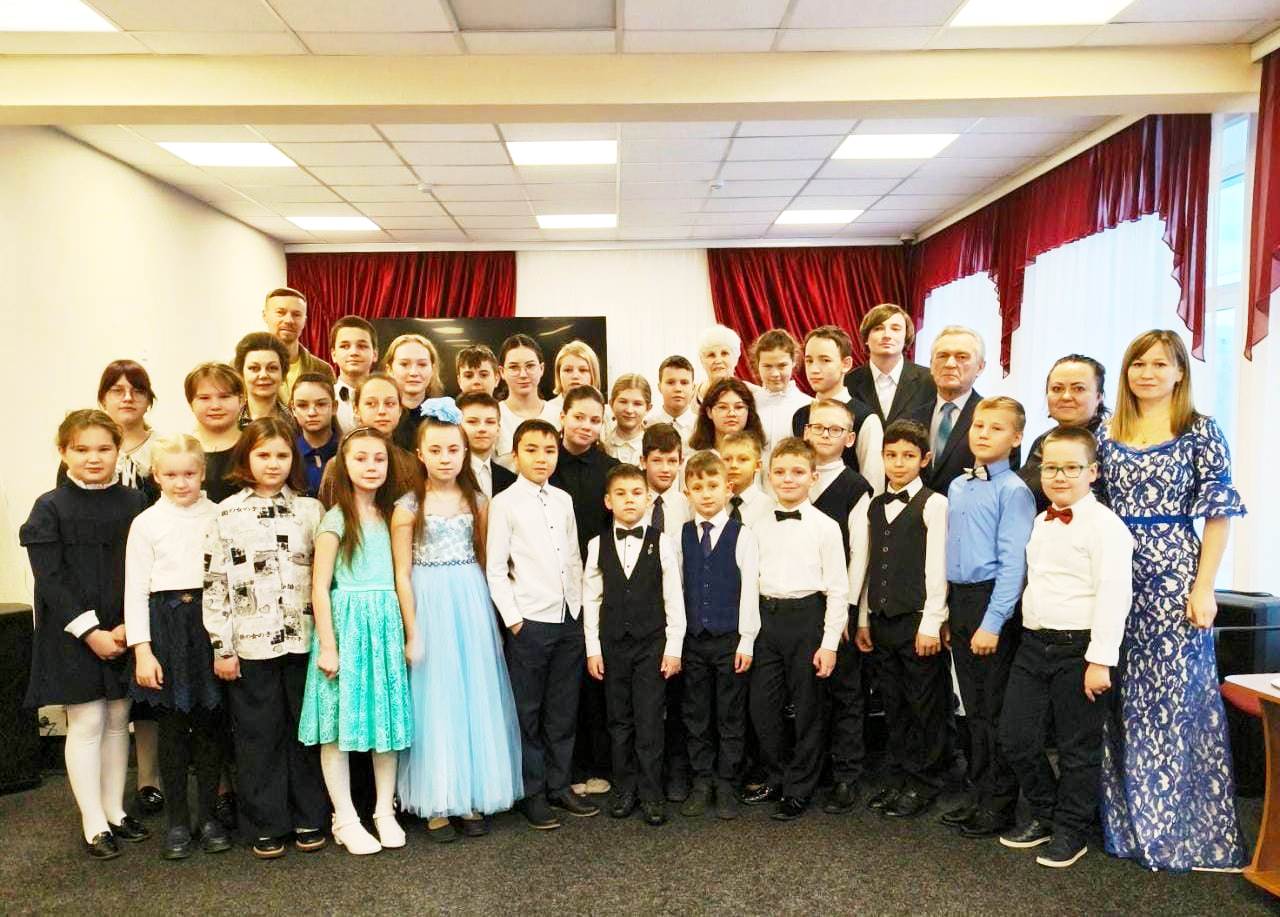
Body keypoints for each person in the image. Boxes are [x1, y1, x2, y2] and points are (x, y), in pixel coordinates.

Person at [1098, 329, 1248, 872]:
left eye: (1160, 364)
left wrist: (1204, 586)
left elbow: (1218, 515)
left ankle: (1179, 833)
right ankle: (1128, 827)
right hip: (1115, 574)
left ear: (1180, 372)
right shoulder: (1106, 431)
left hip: (1174, 578)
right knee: (1120, 696)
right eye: (1138, 364)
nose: (1148, 373)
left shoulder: (1200, 430)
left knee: (1174, 700)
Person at [997, 426, 1133, 869]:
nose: (1059, 476)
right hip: (1034, 644)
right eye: (1051, 467)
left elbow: (1114, 595)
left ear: (1093, 472)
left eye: (1071, 468)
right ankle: (1045, 813)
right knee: (1015, 737)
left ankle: (1071, 831)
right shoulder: (1041, 521)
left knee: (1078, 749)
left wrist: (1100, 660)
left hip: (1081, 649)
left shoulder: (1107, 528)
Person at [21, 410, 150, 860]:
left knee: (118, 718)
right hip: (73, 634)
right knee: (89, 721)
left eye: (103, 449)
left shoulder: (135, 502)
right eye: (81, 449)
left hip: (123, 628)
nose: (93, 458)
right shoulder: (49, 507)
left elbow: (144, 568)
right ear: (63, 452)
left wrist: (129, 626)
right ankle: (92, 820)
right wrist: (91, 631)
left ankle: (115, 809)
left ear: (118, 450)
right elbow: (51, 578)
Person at [395, 400, 523, 840]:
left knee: (472, 694)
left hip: (470, 599)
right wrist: (412, 630)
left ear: (465, 452)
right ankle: (437, 800)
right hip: (429, 600)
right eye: (436, 450)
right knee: (436, 698)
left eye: (453, 449)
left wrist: (495, 616)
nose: (445, 458)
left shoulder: (478, 502)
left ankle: (469, 794)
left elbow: (489, 561)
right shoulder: (408, 506)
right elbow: (401, 573)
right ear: (421, 454)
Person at [203, 417, 328, 859]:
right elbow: (215, 583)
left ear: (293, 459)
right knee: (259, 735)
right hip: (251, 645)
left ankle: (310, 816)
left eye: (281, 455)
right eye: (263, 455)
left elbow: (324, 577)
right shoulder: (226, 513)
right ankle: (265, 823)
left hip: (304, 641)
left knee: (305, 732)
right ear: (246, 458)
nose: (272, 464)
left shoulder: (311, 511)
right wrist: (222, 646)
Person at [298, 427, 414, 856]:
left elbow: (401, 575)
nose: (371, 466)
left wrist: (408, 633)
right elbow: (319, 587)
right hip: (346, 626)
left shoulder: (391, 516)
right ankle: (344, 817)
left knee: (386, 722)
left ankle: (384, 810)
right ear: (344, 466)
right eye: (361, 458)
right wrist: (329, 645)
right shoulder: (335, 519)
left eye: (378, 459)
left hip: (384, 625)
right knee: (337, 725)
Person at [124, 434, 230, 860]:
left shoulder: (219, 515)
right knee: (171, 730)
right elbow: (135, 590)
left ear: (202, 472)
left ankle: (209, 817)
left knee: (209, 726)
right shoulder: (146, 523)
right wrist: (142, 650)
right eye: (171, 474)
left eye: (189, 473)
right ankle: (178, 823)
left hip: (209, 623)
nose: (181, 482)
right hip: (166, 626)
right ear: (156, 475)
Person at [486, 419, 592, 829]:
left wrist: (578, 608)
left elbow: (573, 558)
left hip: (568, 618)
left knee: (563, 710)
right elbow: (496, 569)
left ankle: (559, 785)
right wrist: (515, 622)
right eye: (532, 450)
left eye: (549, 450)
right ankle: (532, 793)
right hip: (530, 622)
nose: (542, 458)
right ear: (515, 455)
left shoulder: (563, 500)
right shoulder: (504, 503)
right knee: (527, 712)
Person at [944, 396, 1036, 838]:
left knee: (994, 710)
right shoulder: (958, 486)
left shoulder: (1014, 491)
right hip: (961, 601)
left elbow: (1013, 565)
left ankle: (1000, 803)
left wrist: (993, 622)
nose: (983, 433)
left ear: (1016, 438)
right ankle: (979, 793)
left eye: (996, 428)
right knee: (972, 708)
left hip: (991, 604)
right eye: (978, 425)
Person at [743, 437, 848, 821]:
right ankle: (775, 775)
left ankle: (800, 787)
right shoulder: (755, 526)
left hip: (807, 619)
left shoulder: (826, 527)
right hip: (765, 620)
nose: (788, 479)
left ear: (813, 477)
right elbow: (748, 583)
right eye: (780, 472)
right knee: (762, 707)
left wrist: (829, 643)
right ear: (769, 476)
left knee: (808, 710)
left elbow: (838, 588)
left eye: (798, 472)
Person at [851, 420, 951, 819]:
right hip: (882, 619)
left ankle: (925, 781)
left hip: (917, 621)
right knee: (893, 703)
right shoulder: (874, 505)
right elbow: (869, 566)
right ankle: (900, 776)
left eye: (908, 456)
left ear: (924, 459)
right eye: (891, 455)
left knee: (923, 704)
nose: (898, 463)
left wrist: (931, 622)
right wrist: (863, 617)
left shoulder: (935, 504)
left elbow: (937, 568)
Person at [584, 464, 686, 826]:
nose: (630, 500)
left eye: (637, 493)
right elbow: (591, 599)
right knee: (619, 721)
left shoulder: (663, 542)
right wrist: (593, 649)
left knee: (650, 720)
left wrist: (674, 647)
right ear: (608, 501)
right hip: (613, 647)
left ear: (647, 499)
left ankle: (651, 792)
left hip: (651, 647)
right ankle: (624, 789)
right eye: (621, 494)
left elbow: (674, 598)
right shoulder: (596, 545)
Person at [678, 450, 760, 820]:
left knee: (730, 713)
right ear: (687, 492)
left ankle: (727, 781)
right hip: (694, 639)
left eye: (713, 486)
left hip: (730, 639)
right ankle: (702, 780)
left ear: (728, 489)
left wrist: (747, 640)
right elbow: (677, 588)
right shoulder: (681, 536)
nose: (706, 494)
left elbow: (750, 591)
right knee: (696, 713)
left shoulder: (743, 535)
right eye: (698, 487)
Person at [802, 399, 873, 814]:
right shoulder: (792, 476)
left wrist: (847, 610)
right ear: (806, 431)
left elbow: (859, 555)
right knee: (808, 693)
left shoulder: (855, 487)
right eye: (818, 427)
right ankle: (812, 770)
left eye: (835, 429)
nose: (825, 435)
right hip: (799, 604)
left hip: (837, 607)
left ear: (849, 438)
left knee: (845, 692)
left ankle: (847, 773)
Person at [549, 385, 618, 795]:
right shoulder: (545, 464)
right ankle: (566, 768)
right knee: (563, 684)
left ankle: (597, 763)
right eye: (579, 417)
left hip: (597, 588)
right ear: (563, 417)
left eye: (595, 419)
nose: (586, 426)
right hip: (550, 589)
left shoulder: (611, 470)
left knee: (597, 678)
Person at [639, 423, 693, 802]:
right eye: (657, 460)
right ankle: (646, 774)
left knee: (679, 699)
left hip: (681, 612)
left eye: (672, 461)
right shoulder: (631, 499)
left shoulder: (688, 504)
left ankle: (677, 770)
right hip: (643, 614)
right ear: (643, 461)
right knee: (646, 702)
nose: (664, 468)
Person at [791, 325, 885, 495]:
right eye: (809, 360)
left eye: (825, 360)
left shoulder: (865, 418)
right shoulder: (800, 415)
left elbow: (873, 486)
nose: (814, 369)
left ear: (846, 364)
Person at [924, 325, 1019, 495]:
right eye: (942, 356)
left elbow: (1003, 485)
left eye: (962, 357)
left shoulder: (999, 421)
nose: (950, 364)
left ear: (980, 367)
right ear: (931, 365)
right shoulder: (910, 416)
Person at [1017, 355, 1109, 514]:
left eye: (1078, 389)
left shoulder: (1109, 443)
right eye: (1057, 389)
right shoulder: (1043, 440)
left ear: (1099, 397)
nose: (1066, 396)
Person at [845, 304, 936, 427]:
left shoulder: (930, 380)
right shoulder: (848, 383)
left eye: (895, 329)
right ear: (866, 338)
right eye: (878, 328)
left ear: (906, 336)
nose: (887, 335)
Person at [93, 359, 160, 496]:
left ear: (149, 401)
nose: (128, 398)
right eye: (117, 391)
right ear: (103, 399)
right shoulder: (86, 450)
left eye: (138, 391)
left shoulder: (165, 449)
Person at [495, 334, 561, 469]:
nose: (523, 374)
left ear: (541, 369)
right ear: (502, 372)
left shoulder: (559, 415)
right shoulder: (493, 417)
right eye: (514, 367)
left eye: (530, 366)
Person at [354, 373, 423, 498]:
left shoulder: (410, 464)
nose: (382, 411)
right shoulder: (340, 463)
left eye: (390, 404)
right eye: (371, 404)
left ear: (400, 410)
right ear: (356, 410)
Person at [184, 362, 245, 504]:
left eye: (224, 396)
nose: (215, 406)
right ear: (191, 403)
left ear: (241, 400)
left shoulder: (257, 447)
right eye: (204, 398)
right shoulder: (179, 450)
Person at [262, 287, 333, 401]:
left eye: (296, 314)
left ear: (304, 321)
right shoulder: (241, 366)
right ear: (265, 316)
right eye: (280, 312)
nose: (289, 320)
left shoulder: (322, 370)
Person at [747, 329, 810, 458]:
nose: (775, 374)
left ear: (793, 362)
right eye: (767, 366)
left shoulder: (809, 406)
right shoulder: (747, 406)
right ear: (757, 365)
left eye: (782, 366)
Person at [384, 333, 445, 451]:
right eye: (404, 364)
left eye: (422, 364)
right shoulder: (380, 414)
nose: (413, 372)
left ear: (432, 369)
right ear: (389, 369)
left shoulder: (444, 416)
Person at [290, 372, 339, 498]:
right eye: (302, 405)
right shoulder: (288, 454)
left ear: (334, 407)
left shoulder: (348, 452)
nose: (312, 412)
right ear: (293, 409)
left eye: (321, 404)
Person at [458, 391, 516, 499]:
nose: (482, 429)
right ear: (458, 426)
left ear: (498, 429)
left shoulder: (511, 480)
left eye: (490, 422)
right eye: (472, 422)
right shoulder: (450, 474)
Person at [690, 377, 766, 455]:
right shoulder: (696, 457)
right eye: (723, 407)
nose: (732, 414)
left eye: (739, 407)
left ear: (748, 411)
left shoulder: (760, 454)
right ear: (709, 412)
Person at [233, 332, 294, 429]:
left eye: (272, 368)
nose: (263, 375)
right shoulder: (229, 421)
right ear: (241, 374)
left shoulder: (297, 422)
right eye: (254, 368)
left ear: (283, 374)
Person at [329, 316, 379, 433]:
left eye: (362, 346)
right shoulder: (325, 398)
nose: (353, 352)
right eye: (345, 346)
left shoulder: (389, 399)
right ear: (333, 355)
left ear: (375, 354)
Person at [720, 431, 772, 528]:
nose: (733, 465)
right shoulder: (711, 505)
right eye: (727, 459)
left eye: (743, 459)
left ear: (757, 465)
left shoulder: (769, 507)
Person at [645, 355, 697, 446]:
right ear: (659, 387)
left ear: (693, 387)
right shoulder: (647, 425)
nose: (678, 389)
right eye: (670, 382)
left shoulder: (702, 428)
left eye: (684, 383)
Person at [601, 374, 651, 465]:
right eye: (623, 402)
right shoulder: (602, 445)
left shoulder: (653, 446)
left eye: (637, 404)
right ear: (611, 404)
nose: (629, 410)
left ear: (648, 408)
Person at [546, 340, 602, 418]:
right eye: (568, 370)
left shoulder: (605, 413)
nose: (575, 376)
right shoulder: (547, 412)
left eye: (583, 370)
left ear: (594, 374)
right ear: (558, 374)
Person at [693, 324, 741, 406]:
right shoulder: (690, 396)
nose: (718, 361)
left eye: (724, 353)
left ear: (735, 358)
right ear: (702, 360)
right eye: (711, 355)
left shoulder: (753, 394)